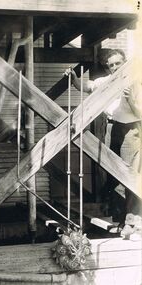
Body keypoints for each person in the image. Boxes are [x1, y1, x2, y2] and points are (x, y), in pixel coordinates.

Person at [64, 49, 142, 232]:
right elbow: (83, 86)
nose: (115, 68)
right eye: (111, 65)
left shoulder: (135, 82)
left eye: (118, 63)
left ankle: (132, 221)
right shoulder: (105, 82)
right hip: (111, 129)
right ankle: (120, 218)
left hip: (131, 129)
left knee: (130, 174)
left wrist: (130, 98)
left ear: (125, 63)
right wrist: (73, 77)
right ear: (107, 69)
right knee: (113, 174)